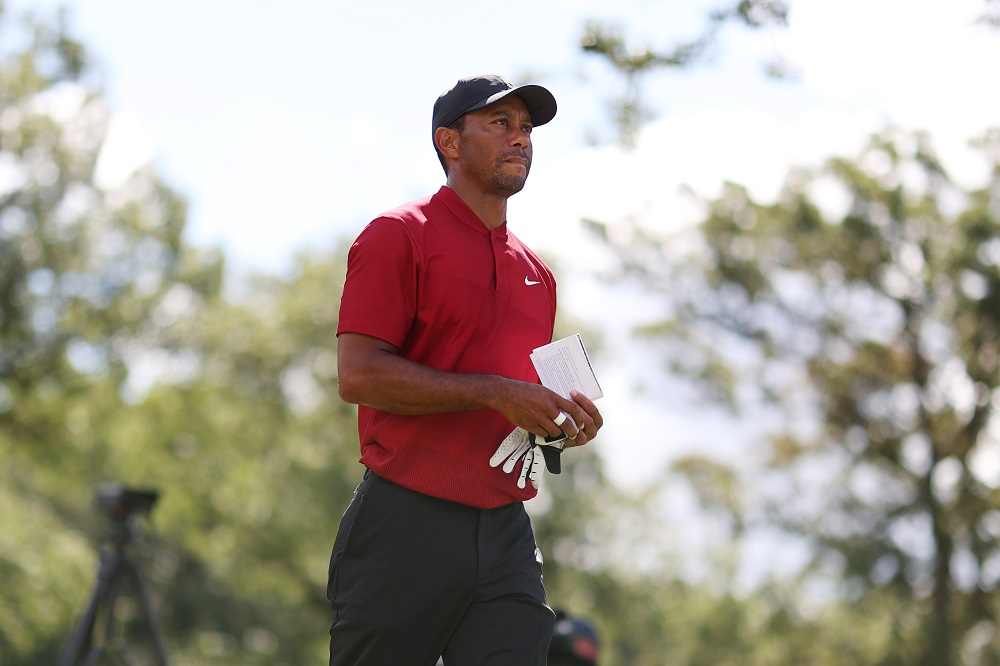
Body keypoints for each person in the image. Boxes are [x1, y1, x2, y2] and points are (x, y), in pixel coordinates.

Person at [327, 73, 604, 666]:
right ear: (449, 143)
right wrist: (496, 393)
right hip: (405, 519)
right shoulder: (397, 236)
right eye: (500, 123)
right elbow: (360, 376)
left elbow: (517, 406)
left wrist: (559, 422)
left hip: (504, 526)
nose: (521, 139)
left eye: (527, 128)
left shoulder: (538, 274)